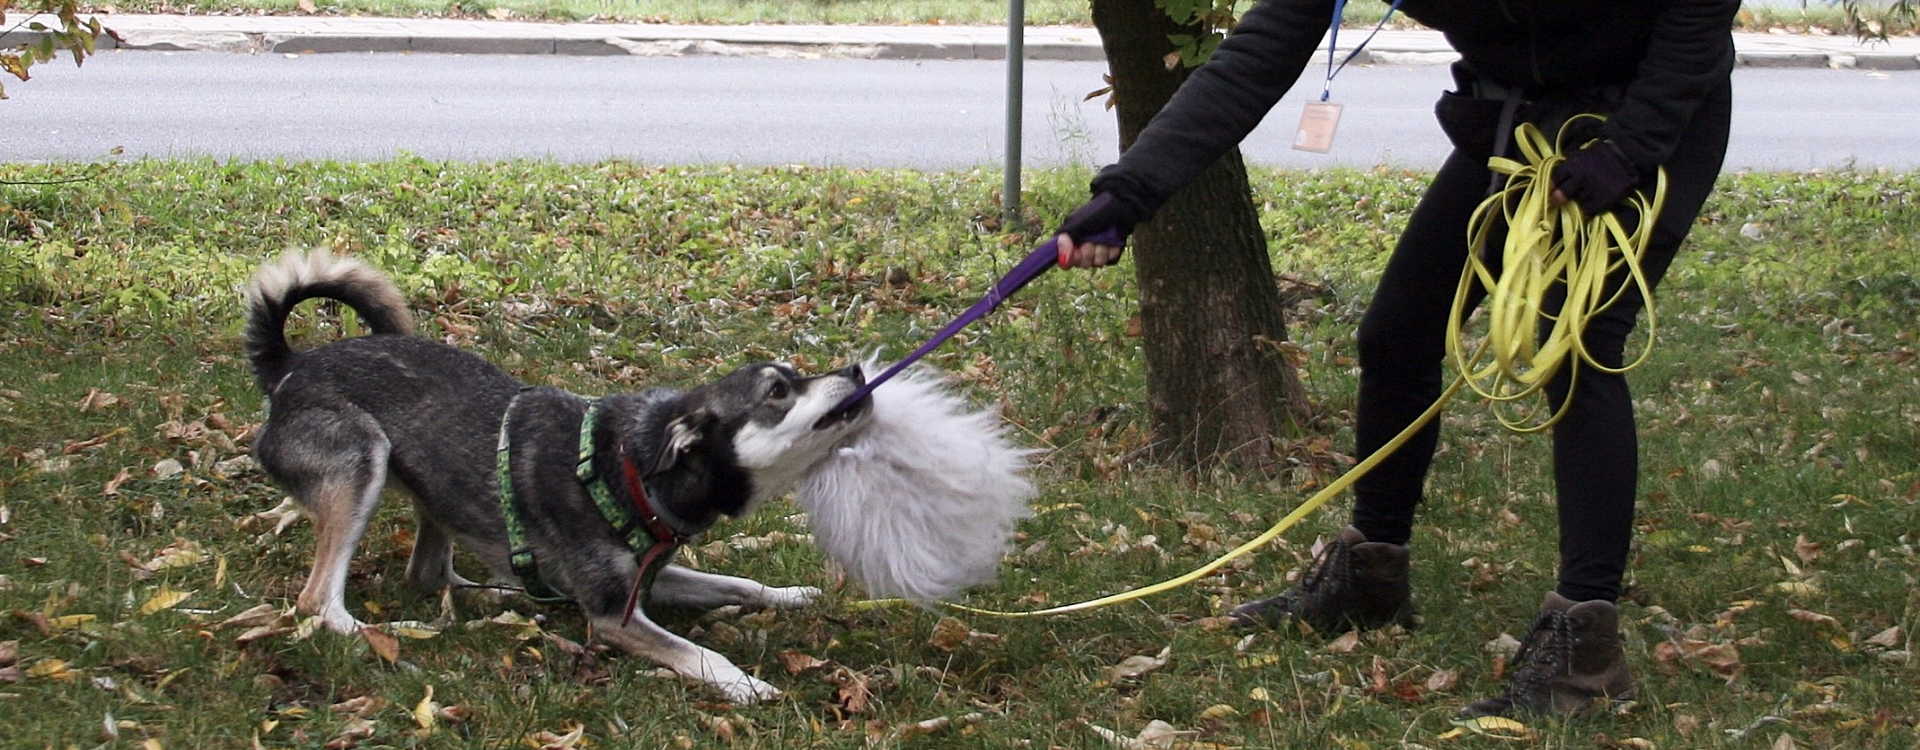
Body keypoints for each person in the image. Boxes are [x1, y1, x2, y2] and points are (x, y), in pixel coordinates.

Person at [1052, 0, 1739, 719]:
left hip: (1650, 116)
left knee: (1576, 343)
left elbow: (1696, 16)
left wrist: (1629, 148)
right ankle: (1370, 576)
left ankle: (1585, 651)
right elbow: (1260, 53)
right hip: (1516, 118)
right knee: (1398, 333)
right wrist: (1130, 191)